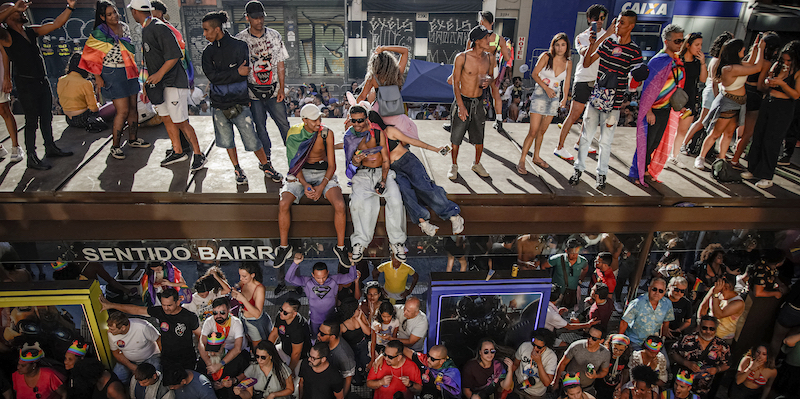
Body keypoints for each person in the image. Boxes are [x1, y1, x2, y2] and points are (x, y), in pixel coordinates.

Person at [127, 0, 205, 170]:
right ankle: (177, 151)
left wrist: (158, 75)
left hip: (173, 82)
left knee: (181, 121)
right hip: (158, 85)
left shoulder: (158, 27)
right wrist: (147, 85)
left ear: (134, 11)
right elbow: (148, 62)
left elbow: (174, 55)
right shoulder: (146, 28)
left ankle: (199, 154)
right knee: (167, 118)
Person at [569, 10, 642, 190]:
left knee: (605, 142)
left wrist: (640, 75)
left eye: (622, 23)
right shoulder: (608, 43)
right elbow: (587, 63)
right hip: (596, 99)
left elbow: (637, 78)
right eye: (617, 22)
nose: (617, 26)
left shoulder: (634, 51)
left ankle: (601, 174)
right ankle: (578, 170)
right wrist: (594, 44)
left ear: (631, 26)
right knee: (585, 137)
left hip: (614, 105)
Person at [201, 11, 275, 185]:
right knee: (227, 141)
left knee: (252, 139)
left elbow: (244, 73)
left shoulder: (240, 46)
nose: (204, 34)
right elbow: (214, 77)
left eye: (206, 30)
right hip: (219, 105)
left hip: (240, 103)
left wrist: (229, 74)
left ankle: (266, 165)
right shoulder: (207, 53)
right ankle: (237, 168)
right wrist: (234, 72)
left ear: (217, 29)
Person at [273, 104, 347, 273]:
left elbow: (332, 165)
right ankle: (284, 247)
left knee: (340, 206)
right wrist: (306, 185)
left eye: (319, 118)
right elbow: (294, 165)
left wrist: (321, 187)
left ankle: (341, 247)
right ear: (304, 120)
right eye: (314, 120)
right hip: (300, 173)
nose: (318, 122)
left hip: (324, 174)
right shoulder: (294, 135)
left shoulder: (326, 133)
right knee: (284, 204)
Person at [0, 0, 73, 170]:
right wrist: (13, 7)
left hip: (41, 79)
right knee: (31, 121)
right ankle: (31, 156)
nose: (23, 12)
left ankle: (50, 147)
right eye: (18, 12)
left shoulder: (30, 31)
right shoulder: (7, 35)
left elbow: (56, 24)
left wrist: (70, 6)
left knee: (47, 116)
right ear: (9, 16)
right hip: (25, 83)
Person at [368, 110, 465, 237]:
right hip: (394, 169)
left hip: (407, 161)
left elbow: (412, 141)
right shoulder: (369, 140)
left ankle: (454, 215)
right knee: (406, 193)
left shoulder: (389, 131)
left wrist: (435, 149)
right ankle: (423, 222)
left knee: (425, 187)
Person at [81, 0, 145, 158]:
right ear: (102, 17)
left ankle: (133, 139)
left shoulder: (124, 26)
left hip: (129, 70)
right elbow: (90, 57)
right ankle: (115, 146)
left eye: (115, 12)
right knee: (122, 111)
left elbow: (129, 48)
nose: (114, 16)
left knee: (133, 108)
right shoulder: (100, 32)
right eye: (109, 14)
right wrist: (98, 77)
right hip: (112, 72)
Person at [343, 105, 407, 262]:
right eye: (354, 121)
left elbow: (385, 159)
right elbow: (350, 167)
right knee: (357, 203)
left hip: (381, 172)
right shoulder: (349, 136)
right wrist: (355, 161)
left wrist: (384, 180)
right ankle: (359, 242)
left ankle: (397, 242)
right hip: (362, 174)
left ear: (366, 119)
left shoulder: (378, 133)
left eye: (360, 120)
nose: (357, 124)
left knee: (396, 200)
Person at [233, 0, 286, 182]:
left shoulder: (274, 35)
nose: (259, 21)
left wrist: (281, 88)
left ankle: (295, 156)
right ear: (247, 18)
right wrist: (242, 94)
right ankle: (267, 160)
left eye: (261, 17)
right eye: (255, 18)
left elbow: (280, 63)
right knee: (260, 127)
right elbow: (238, 69)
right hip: (252, 92)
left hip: (273, 89)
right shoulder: (240, 39)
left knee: (284, 124)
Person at [694, 37, 765, 170]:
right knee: (716, 133)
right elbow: (757, 67)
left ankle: (721, 159)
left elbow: (750, 62)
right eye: (742, 49)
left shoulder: (738, 65)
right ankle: (701, 157)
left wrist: (755, 48)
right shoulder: (730, 68)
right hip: (728, 102)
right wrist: (761, 49)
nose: (744, 50)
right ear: (736, 51)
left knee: (728, 133)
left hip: (739, 103)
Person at [628, 23, 686, 184]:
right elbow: (648, 89)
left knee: (655, 142)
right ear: (666, 42)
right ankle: (635, 173)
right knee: (645, 143)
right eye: (677, 41)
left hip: (667, 109)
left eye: (682, 41)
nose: (680, 44)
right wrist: (648, 111)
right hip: (654, 109)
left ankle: (645, 169)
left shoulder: (676, 61)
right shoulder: (658, 61)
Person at [740, 40, 800, 189]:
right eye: (783, 59)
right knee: (759, 136)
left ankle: (767, 175)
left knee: (772, 140)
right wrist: (769, 82)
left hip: (784, 106)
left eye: (789, 60)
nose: (785, 62)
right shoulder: (776, 66)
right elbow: (765, 82)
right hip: (769, 102)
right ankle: (752, 169)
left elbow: (796, 94)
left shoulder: (798, 72)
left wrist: (782, 83)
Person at [555, 4, 609, 161]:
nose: (599, 21)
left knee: (591, 116)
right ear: (589, 19)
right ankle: (559, 147)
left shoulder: (609, 35)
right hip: (583, 79)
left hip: (600, 80)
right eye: (596, 18)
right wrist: (602, 39)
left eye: (602, 18)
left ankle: (581, 143)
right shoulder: (583, 36)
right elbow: (586, 55)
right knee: (574, 114)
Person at [100, 288, 201, 372]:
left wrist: (202, 353)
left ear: (178, 302)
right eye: (163, 305)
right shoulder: (160, 311)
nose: (166, 308)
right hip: (167, 358)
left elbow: (199, 335)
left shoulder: (189, 317)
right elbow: (135, 309)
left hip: (186, 357)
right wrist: (111, 305)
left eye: (169, 305)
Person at [447, 25, 501, 180]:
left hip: (478, 101)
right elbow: (455, 83)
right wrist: (460, 106)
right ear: (477, 41)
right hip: (462, 100)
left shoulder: (490, 58)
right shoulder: (462, 57)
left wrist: (489, 80)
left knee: (479, 137)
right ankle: (454, 165)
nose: (488, 40)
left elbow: (492, 77)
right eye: (485, 38)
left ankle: (476, 163)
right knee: (456, 138)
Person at [517, 33, 571, 173]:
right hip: (541, 93)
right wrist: (546, 88)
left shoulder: (568, 62)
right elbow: (534, 74)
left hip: (554, 96)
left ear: (567, 46)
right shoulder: (546, 56)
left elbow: (566, 82)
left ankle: (536, 156)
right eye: (557, 44)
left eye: (563, 45)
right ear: (553, 45)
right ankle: (522, 160)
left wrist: (565, 98)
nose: (560, 48)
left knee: (542, 131)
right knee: (533, 131)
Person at [680, 32, 734, 155]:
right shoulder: (716, 61)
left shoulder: (717, 60)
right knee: (702, 120)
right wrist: (717, 99)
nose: (700, 47)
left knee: (703, 121)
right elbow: (713, 82)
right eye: (697, 44)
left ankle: (690, 144)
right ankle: (684, 143)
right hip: (712, 94)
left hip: (714, 94)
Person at [285, 252, 356, 334]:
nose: (321, 280)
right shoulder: (307, 281)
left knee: (330, 340)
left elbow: (352, 277)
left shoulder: (334, 279)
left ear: (328, 273)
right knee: (315, 339)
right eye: (318, 278)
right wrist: (295, 263)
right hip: (315, 319)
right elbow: (289, 279)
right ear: (313, 275)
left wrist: (352, 263)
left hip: (331, 319)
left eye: (324, 277)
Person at [670, 316, 731, 397]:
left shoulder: (722, 346)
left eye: (711, 329)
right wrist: (686, 363)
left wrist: (717, 369)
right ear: (699, 327)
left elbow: (727, 363)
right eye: (704, 328)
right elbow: (673, 353)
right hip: (681, 386)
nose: (708, 331)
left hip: (701, 389)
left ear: (716, 329)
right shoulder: (687, 339)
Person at [670, 32, 706, 165]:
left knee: (682, 129)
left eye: (701, 45)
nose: (699, 48)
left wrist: (702, 63)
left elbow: (703, 79)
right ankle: (662, 154)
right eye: (697, 44)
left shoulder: (697, 63)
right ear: (688, 45)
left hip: (690, 100)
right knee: (669, 128)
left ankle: (674, 156)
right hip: (674, 98)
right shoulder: (677, 59)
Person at [198, 297, 249, 389]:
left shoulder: (236, 322)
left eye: (222, 312)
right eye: (215, 313)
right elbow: (201, 344)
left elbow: (237, 349)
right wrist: (209, 364)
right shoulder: (209, 322)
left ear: (228, 311)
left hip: (236, 352)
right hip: (217, 350)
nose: (218, 316)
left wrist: (220, 364)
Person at [106, 310, 162, 384]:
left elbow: (159, 339)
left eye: (112, 329)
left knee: (154, 377)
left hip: (151, 356)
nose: (109, 331)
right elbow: (116, 352)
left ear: (123, 328)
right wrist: (131, 366)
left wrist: (164, 357)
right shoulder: (111, 334)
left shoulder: (143, 327)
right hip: (128, 360)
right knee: (116, 378)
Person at [619, 277, 675, 348]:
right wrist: (620, 341)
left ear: (664, 292)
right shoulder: (637, 303)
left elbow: (666, 322)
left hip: (654, 342)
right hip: (635, 341)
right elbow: (624, 322)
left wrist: (662, 339)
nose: (657, 293)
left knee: (663, 359)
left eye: (660, 291)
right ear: (649, 288)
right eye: (654, 289)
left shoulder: (667, 304)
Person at [57, 53, 106, 132]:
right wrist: (97, 105)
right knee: (113, 108)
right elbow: (93, 109)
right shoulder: (85, 83)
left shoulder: (61, 80)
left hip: (68, 120)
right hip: (82, 119)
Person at [555, 325, 611, 392]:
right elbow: (563, 363)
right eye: (588, 336)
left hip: (587, 388)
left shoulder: (605, 353)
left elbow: (604, 371)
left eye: (594, 339)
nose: (589, 340)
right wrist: (556, 382)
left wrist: (596, 375)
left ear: (601, 341)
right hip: (568, 384)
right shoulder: (576, 346)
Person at [229, 261, 272, 347]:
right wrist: (235, 291)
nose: (241, 278)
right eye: (240, 275)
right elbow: (238, 285)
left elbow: (257, 314)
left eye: (244, 276)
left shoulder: (259, 288)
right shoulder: (243, 283)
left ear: (252, 275)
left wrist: (243, 299)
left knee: (258, 346)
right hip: (242, 318)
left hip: (254, 322)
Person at [268, 297, 312, 374]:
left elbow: (296, 353)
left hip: (299, 358)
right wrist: (267, 350)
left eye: (285, 312)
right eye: (281, 309)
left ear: (294, 314)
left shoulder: (298, 328)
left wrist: (290, 370)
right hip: (284, 348)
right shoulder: (280, 316)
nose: (281, 313)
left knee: (293, 379)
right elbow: (274, 334)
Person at [545, 238, 589, 310]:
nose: (574, 255)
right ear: (566, 251)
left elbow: (585, 269)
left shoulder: (583, 261)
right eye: (572, 253)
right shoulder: (557, 259)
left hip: (571, 292)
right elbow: (544, 265)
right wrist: (546, 282)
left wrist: (580, 280)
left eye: (576, 252)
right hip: (557, 293)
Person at [513, 328, 558, 399]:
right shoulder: (524, 346)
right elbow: (515, 364)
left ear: (546, 345)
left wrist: (539, 362)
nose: (535, 348)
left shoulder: (551, 357)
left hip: (535, 394)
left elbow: (546, 383)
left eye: (539, 347)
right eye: (533, 344)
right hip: (518, 386)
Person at [697, 273, 743, 342]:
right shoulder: (715, 289)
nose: (717, 285)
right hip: (706, 331)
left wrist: (715, 295)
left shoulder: (738, 303)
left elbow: (718, 315)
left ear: (727, 287)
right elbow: (704, 306)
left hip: (722, 338)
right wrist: (699, 323)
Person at [317, 319, 356, 397]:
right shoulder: (322, 341)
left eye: (322, 334)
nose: (318, 335)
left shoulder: (345, 356)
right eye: (319, 331)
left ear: (332, 337)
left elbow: (347, 381)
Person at [595, 334, 630, 399]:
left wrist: (621, 385)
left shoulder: (625, 358)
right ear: (611, 344)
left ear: (626, 348)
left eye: (621, 350)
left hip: (614, 387)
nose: (617, 352)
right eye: (615, 348)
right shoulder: (605, 355)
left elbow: (625, 372)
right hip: (600, 385)